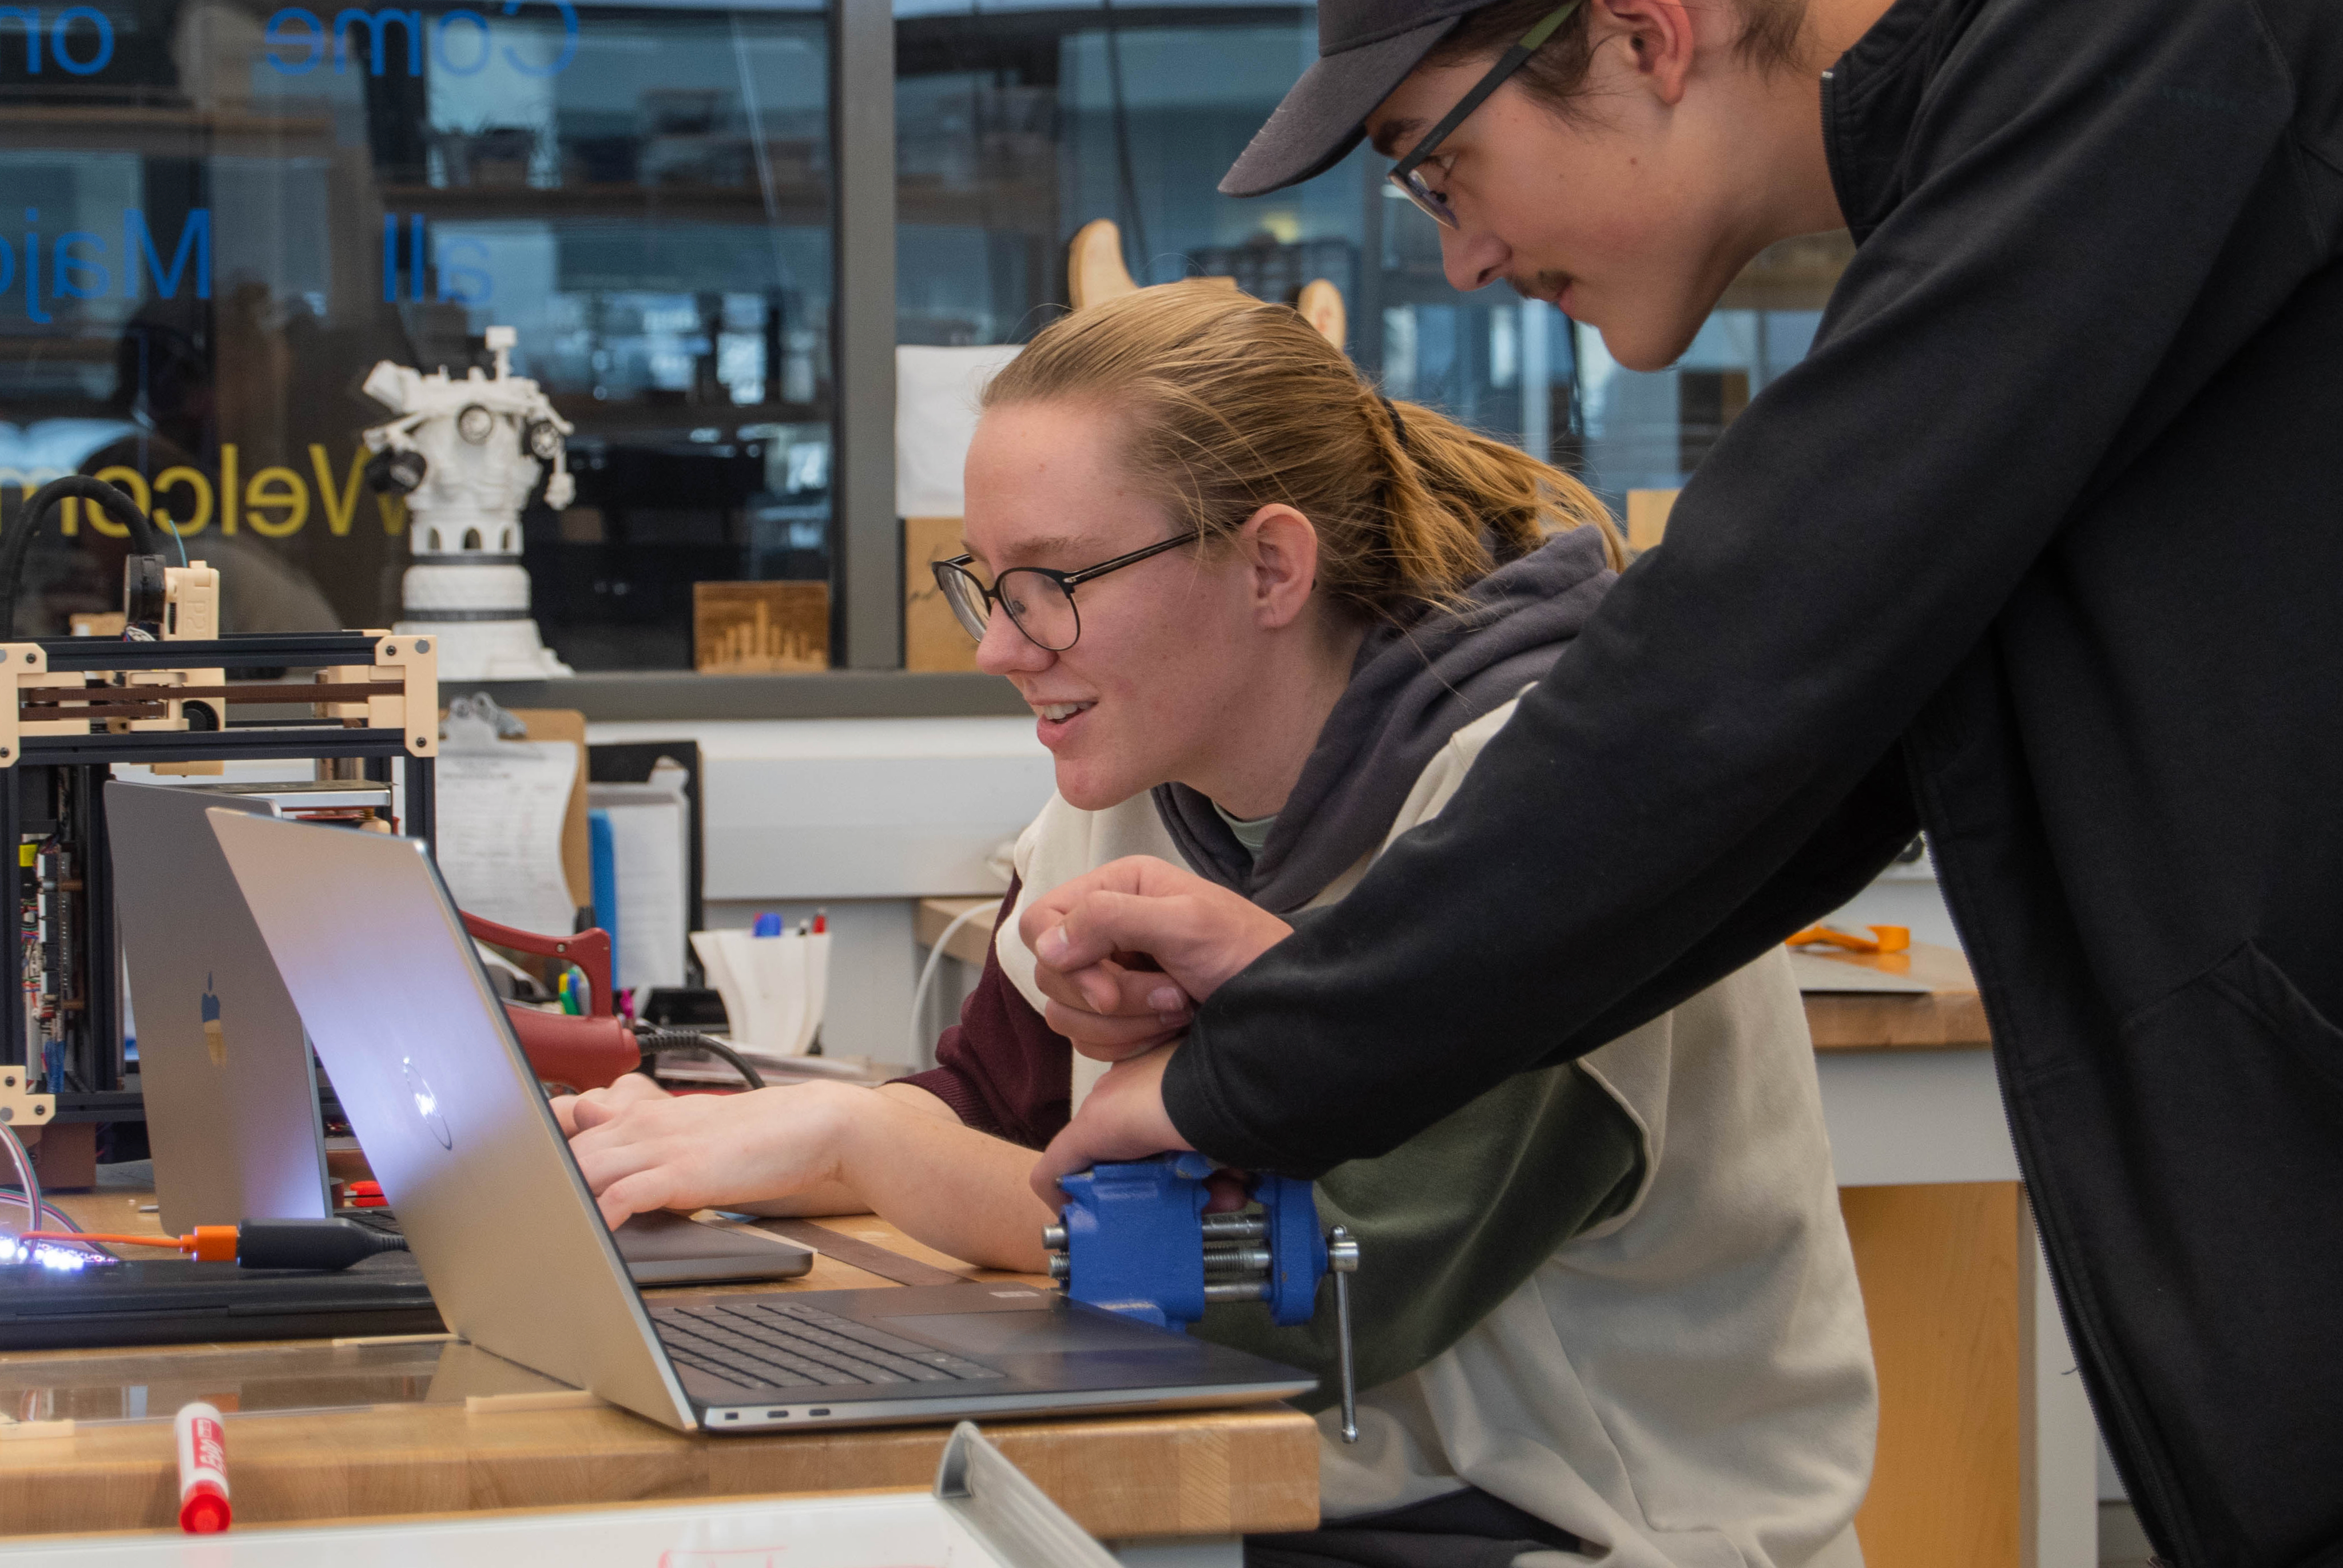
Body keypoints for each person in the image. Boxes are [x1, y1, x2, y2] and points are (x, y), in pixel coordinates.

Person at [1011, 0, 2343, 1568]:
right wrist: (1298, 1003)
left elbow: (1732, 673)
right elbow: (1787, 782)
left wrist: (1246, 1075)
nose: (1460, 256)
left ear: (1636, 32)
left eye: (1440, 168)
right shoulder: (2067, 102)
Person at [557, 281, 1877, 1568]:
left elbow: (1311, 1294)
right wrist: (711, 1145)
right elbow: (984, 1108)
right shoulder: (1136, 775)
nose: (1003, 647)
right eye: (987, 584)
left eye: (1056, 581)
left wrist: (862, 1135)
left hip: (1571, 1526)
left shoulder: (1542, 802)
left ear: (1269, 566)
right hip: (1294, 1490)